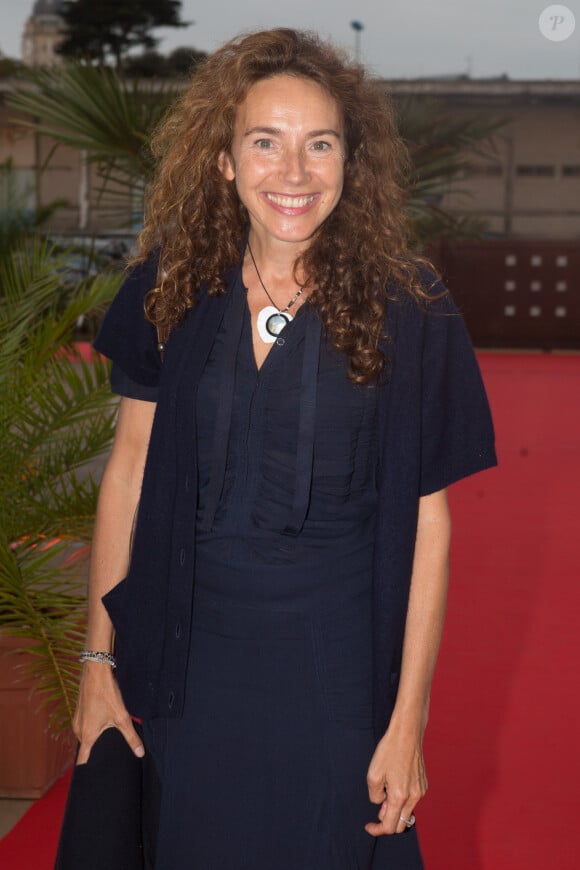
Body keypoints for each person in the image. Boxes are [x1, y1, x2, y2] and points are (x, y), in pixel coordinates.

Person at [70, 28, 496, 870]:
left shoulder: (408, 306)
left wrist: (408, 718)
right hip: (191, 661)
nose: (293, 173)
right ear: (224, 160)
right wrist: (97, 661)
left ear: (351, 161)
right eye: (265, 142)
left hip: (334, 665)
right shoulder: (172, 283)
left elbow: (429, 528)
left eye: (319, 145)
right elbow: (128, 471)